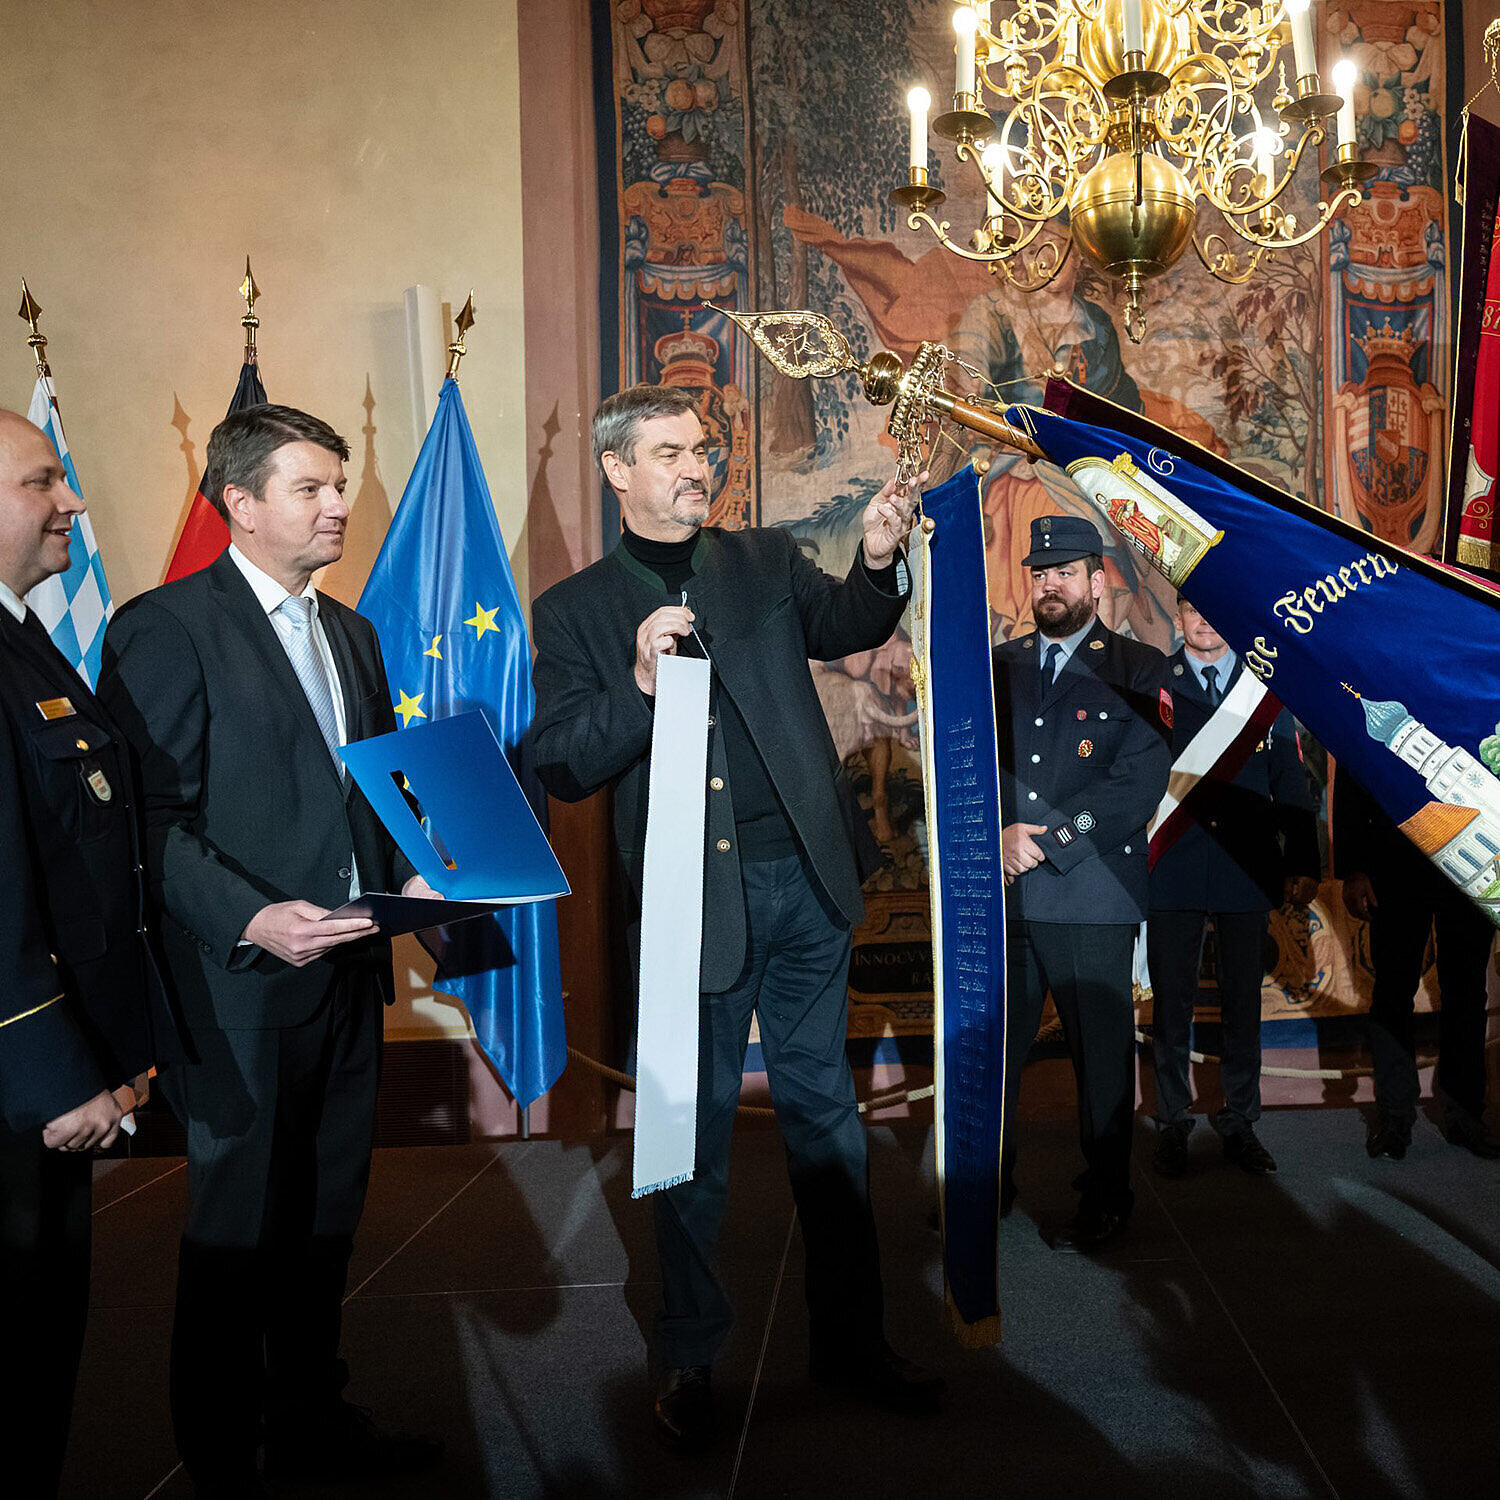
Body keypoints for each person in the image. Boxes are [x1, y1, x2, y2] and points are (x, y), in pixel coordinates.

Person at [529, 384, 942, 1451]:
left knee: (827, 1128)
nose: (696, 466)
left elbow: (850, 621)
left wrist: (882, 554)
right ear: (618, 470)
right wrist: (636, 683)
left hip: (807, 885)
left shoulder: (760, 560)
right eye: (670, 451)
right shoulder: (576, 609)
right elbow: (564, 761)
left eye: (703, 449)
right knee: (688, 1141)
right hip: (687, 909)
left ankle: (851, 1341)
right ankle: (692, 1357)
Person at [98, 404, 441, 1497]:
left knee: (326, 1215)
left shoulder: (353, 633)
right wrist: (252, 918)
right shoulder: (164, 628)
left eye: (339, 484)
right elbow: (147, 822)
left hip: (346, 972)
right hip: (237, 985)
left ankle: (309, 1419)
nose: (339, 504)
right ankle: (219, 1458)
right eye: (311, 488)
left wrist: (412, 881)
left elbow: (364, 795)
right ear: (240, 506)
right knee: (237, 1233)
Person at [0, 409, 156, 1496]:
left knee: (45, 1350)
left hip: (54, 1069)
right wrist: (56, 1070)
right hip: (19, 1086)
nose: (74, 502)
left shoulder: (23, 636)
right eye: (41, 481)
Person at [993, 514, 1171, 1251]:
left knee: (1100, 1058)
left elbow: (1140, 781)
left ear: (1097, 582)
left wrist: (1054, 842)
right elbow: (972, 768)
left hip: (1090, 890)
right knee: (993, 1052)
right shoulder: (998, 665)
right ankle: (984, 1186)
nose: (1050, 585)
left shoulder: (1139, 667)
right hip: (1006, 888)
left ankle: (1106, 1194)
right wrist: (998, 837)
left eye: (1065, 572)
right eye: (1040, 573)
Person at [1147, 596, 1320, 1177]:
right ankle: (1172, 1120)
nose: (1204, 620)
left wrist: (1302, 861)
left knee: (1243, 1004)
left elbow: (1291, 783)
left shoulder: (1263, 692)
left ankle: (1241, 1119)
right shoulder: (1157, 686)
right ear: (1177, 617)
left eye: (1215, 610)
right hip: (1172, 866)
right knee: (1172, 1006)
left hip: (1245, 868)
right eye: (1193, 610)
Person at [1332, 769, 1498, 1160]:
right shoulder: (1373, 701)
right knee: (1392, 990)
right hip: (1394, 860)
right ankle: (1394, 1116)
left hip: (1469, 850)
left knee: (1467, 991)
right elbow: (1356, 766)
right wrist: (1354, 870)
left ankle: (1465, 1114)